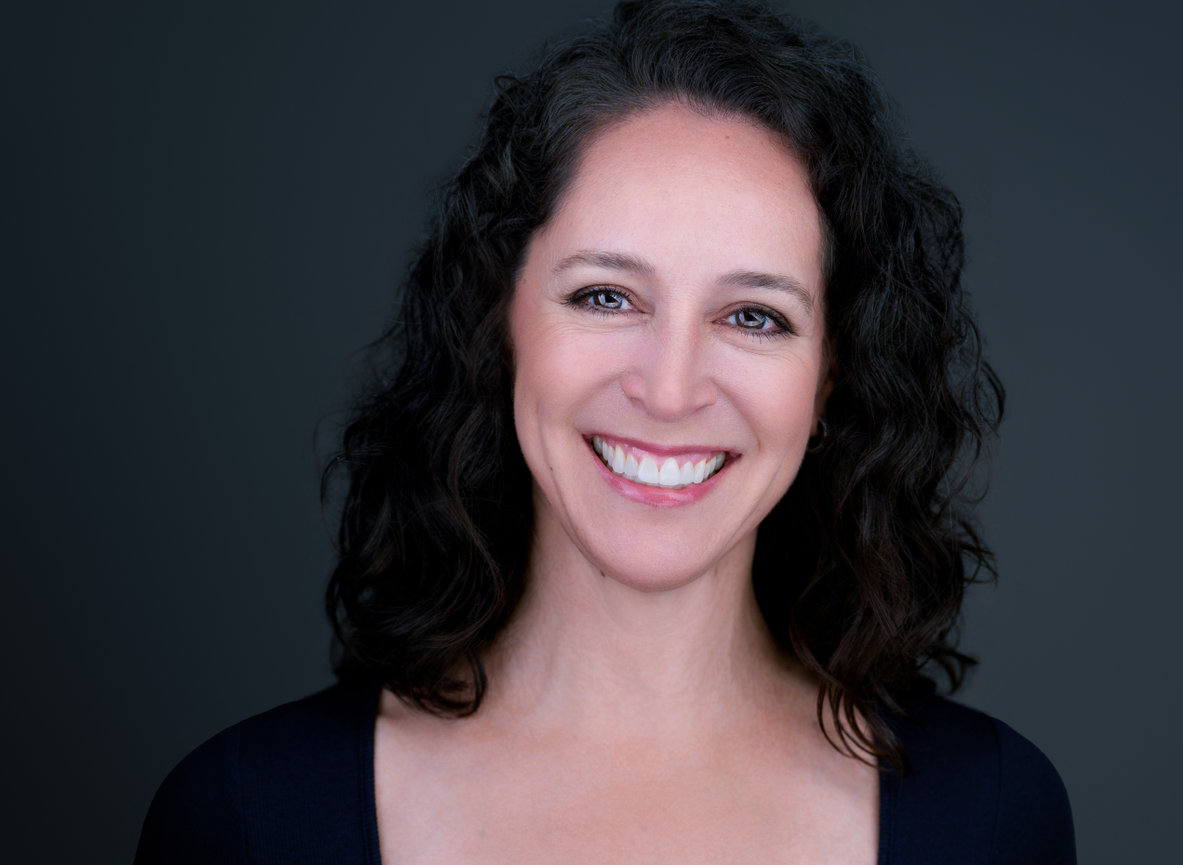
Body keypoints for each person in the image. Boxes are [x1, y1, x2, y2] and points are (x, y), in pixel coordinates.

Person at [136, 1, 1075, 862]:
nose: (668, 390)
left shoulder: (989, 816)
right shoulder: (243, 817)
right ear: (500, 327)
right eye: (605, 295)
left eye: (753, 316)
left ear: (829, 379)